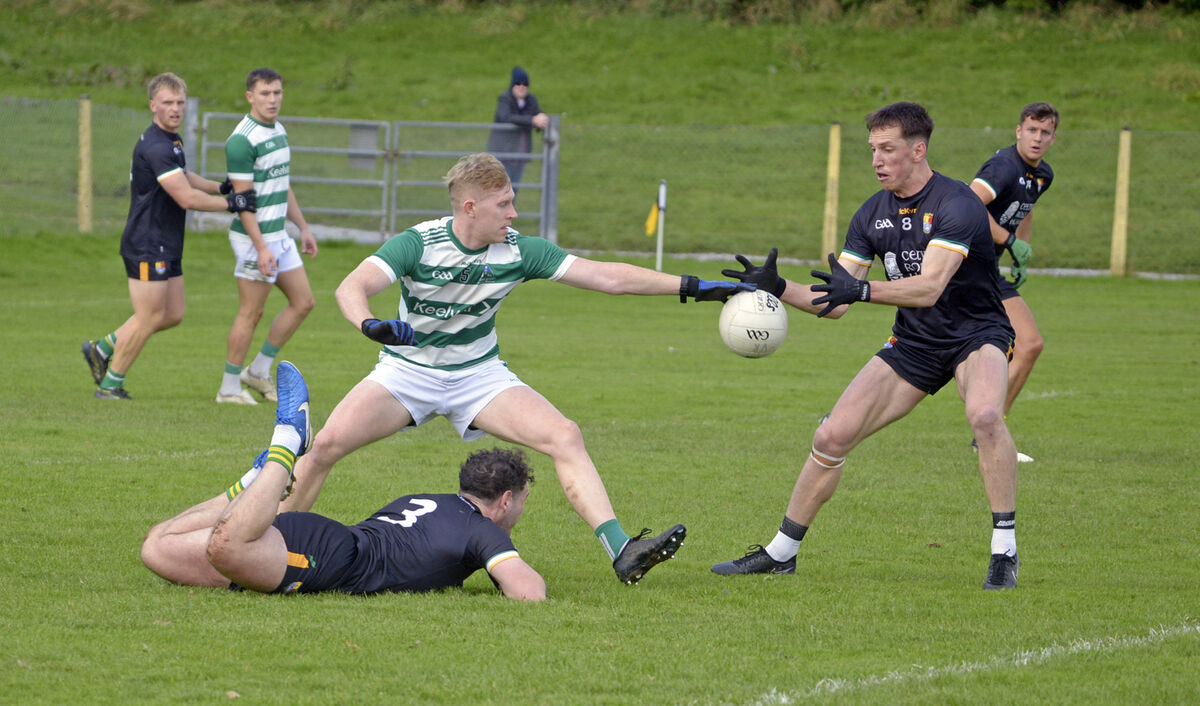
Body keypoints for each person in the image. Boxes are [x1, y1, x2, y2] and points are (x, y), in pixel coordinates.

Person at [278, 152, 753, 585]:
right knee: (323, 448)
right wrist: (370, 324)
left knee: (564, 435)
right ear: (469, 208)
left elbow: (608, 277)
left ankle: (623, 550)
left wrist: (694, 286)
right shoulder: (418, 244)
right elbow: (351, 286)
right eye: (503, 205)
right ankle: (270, 544)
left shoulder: (520, 251)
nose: (513, 214)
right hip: (407, 374)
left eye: (513, 202)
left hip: (478, 376)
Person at [713, 102, 1022, 589]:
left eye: (888, 149)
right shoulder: (872, 215)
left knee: (985, 416)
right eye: (872, 150)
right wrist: (778, 288)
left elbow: (928, 287)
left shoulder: (957, 204)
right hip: (915, 344)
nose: (877, 160)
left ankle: (1004, 550)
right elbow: (836, 302)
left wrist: (862, 290)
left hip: (976, 334)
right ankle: (781, 552)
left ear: (918, 150)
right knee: (830, 437)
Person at [140, 361, 546, 601]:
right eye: (525, 501)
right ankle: (286, 445)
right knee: (225, 546)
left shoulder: (427, 500)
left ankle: (252, 479)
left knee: (157, 548)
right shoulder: (482, 531)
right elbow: (528, 592)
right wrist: (499, 564)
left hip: (314, 536)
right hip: (328, 559)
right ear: (506, 500)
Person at [81, 72, 257, 401]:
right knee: (148, 317)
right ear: (153, 106)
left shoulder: (171, 141)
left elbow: (185, 177)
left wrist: (218, 187)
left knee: (172, 314)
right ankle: (111, 385)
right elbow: (186, 198)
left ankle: (102, 348)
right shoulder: (158, 145)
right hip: (148, 243)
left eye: (180, 102)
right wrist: (231, 203)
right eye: (167, 103)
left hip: (166, 241)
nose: (175, 108)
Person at [215, 68, 318, 405]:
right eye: (265, 94)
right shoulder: (242, 140)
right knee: (251, 313)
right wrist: (260, 247)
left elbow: (280, 183)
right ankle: (229, 388)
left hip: (279, 235)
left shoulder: (278, 129)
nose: (272, 100)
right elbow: (243, 201)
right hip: (253, 238)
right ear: (250, 97)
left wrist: (302, 227)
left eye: (277, 93)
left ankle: (258, 370)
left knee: (303, 302)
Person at [968, 102, 1059, 461]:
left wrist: (1023, 249)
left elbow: (1026, 206)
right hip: (966, 268)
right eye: (1032, 130)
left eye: (1045, 132)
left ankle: (988, 432)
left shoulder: (1042, 175)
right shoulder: (1003, 167)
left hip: (988, 270)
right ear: (1018, 131)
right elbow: (969, 204)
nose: (1037, 138)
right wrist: (1009, 241)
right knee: (1026, 344)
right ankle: (990, 433)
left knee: (1027, 345)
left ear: (1053, 138)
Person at [486, 66, 548, 199]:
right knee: (500, 191)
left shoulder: (531, 100)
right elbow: (507, 117)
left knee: (513, 192)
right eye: (518, 83)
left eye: (525, 84)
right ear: (512, 85)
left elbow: (537, 115)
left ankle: (507, 219)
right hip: (503, 155)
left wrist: (542, 121)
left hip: (519, 156)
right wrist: (532, 120)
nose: (522, 86)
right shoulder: (505, 99)